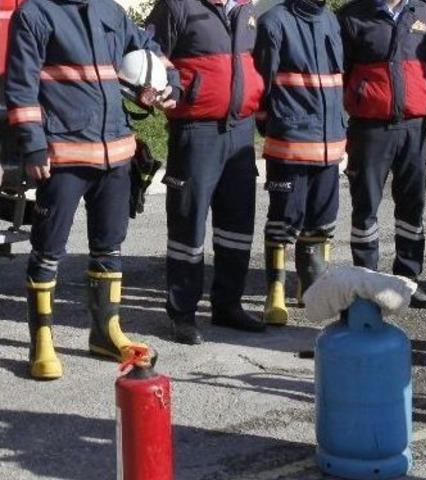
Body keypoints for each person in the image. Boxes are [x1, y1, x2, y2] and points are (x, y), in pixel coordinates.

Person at [5, 0, 178, 379]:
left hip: (116, 154)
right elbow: (21, 85)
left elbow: (149, 51)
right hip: (62, 154)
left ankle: (105, 332)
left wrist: (170, 86)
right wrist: (33, 144)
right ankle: (42, 341)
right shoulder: (35, 14)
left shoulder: (110, 11)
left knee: (109, 247)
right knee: (48, 251)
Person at [146, 0, 267, 345]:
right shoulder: (177, 6)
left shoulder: (247, 9)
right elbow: (149, 52)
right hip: (196, 131)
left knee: (237, 224)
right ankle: (182, 313)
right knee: (188, 223)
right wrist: (161, 88)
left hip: (241, 130)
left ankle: (228, 304)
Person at [338, 0, 426, 309]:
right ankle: (367, 283)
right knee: (365, 205)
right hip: (370, 128)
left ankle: (407, 281)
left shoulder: (424, 13)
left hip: (414, 126)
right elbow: (342, 71)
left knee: (412, 206)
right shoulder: (353, 15)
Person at [254, 0, 346, 325]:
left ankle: (311, 286)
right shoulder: (273, 22)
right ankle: (275, 291)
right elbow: (260, 84)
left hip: (330, 142)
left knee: (322, 220)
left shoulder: (332, 21)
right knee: (284, 219)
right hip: (290, 141)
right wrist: (274, 123)